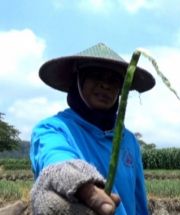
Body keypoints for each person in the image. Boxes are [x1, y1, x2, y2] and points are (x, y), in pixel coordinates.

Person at [29, 43, 155, 215]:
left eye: (113, 80)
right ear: (78, 79)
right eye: (96, 75)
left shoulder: (129, 140)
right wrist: (76, 180)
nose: (105, 85)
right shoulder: (52, 129)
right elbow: (56, 158)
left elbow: (139, 204)